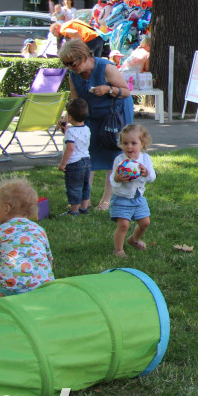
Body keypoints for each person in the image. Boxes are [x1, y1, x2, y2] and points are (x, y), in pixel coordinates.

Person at [59, 38, 134, 211]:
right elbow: (75, 98)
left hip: (115, 113)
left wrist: (108, 89)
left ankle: (106, 201)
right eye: (66, 64)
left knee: (113, 154)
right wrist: (67, 116)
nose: (70, 67)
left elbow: (126, 91)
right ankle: (84, 199)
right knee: (86, 154)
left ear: (83, 56)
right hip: (91, 113)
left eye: (72, 63)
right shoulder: (73, 74)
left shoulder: (106, 68)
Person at [0, 176, 53, 297]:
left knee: (4, 298)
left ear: (6, 208)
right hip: (43, 287)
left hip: (11, 287)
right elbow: (49, 261)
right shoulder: (39, 230)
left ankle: (2, 300)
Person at [109, 123, 156, 257]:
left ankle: (134, 240)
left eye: (133, 143)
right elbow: (112, 179)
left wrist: (146, 173)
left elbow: (152, 177)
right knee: (123, 225)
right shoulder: (119, 160)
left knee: (145, 222)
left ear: (142, 144)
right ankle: (118, 250)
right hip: (121, 198)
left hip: (138, 198)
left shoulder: (145, 159)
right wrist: (118, 178)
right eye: (125, 143)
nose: (129, 147)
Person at [58, 98, 92, 216]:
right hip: (86, 161)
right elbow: (77, 137)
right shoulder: (86, 129)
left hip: (74, 163)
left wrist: (63, 163)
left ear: (70, 117)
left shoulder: (70, 132)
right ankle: (84, 208)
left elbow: (70, 148)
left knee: (74, 187)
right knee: (85, 186)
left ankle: (74, 211)